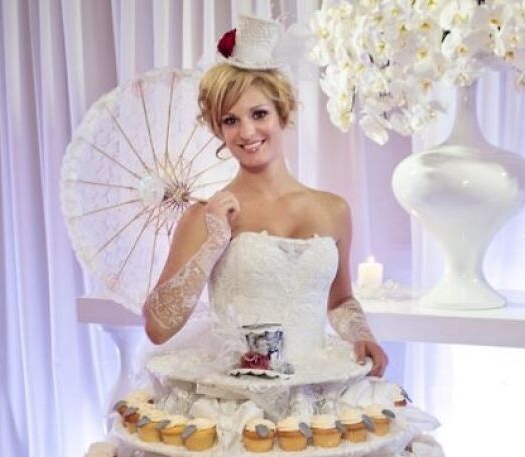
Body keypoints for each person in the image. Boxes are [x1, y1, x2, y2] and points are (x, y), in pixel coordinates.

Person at [143, 18, 388, 377]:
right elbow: (157, 328)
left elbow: (340, 301)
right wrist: (212, 245)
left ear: (282, 113)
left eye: (259, 114)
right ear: (218, 129)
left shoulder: (334, 210)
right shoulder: (205, 216)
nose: (246, 132)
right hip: (234, 396)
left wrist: (363, 335)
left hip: (316, 384)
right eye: (230, 120)